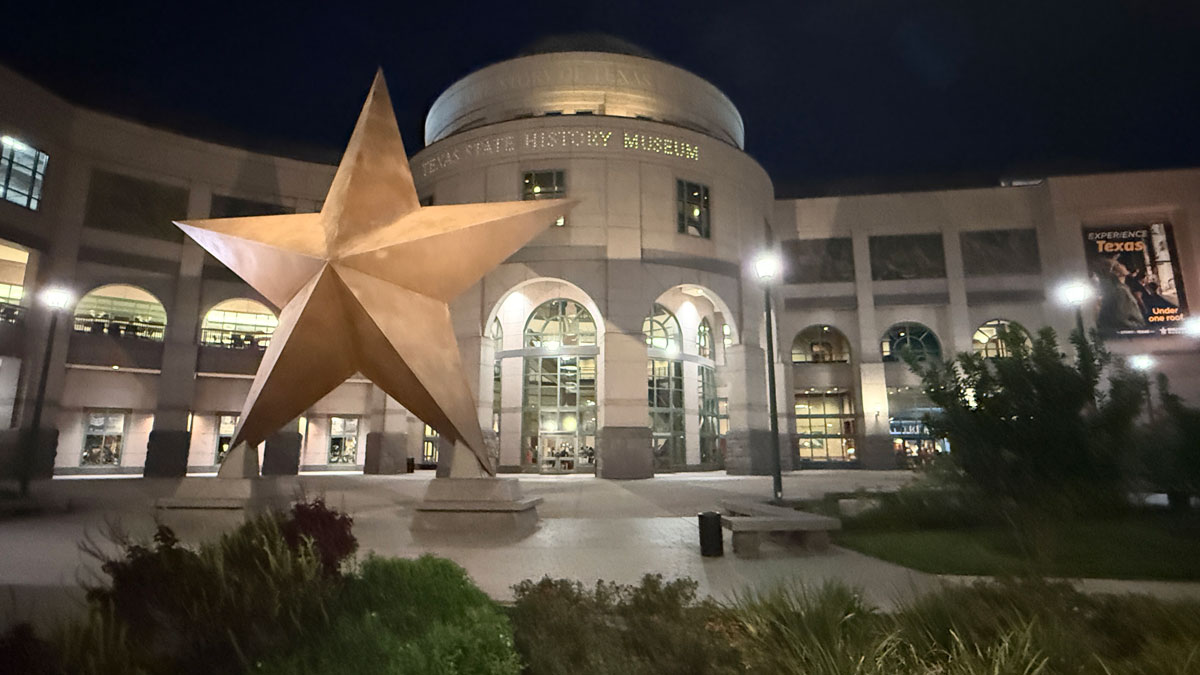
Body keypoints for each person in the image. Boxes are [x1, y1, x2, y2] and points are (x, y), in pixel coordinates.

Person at [1094, 254, 1146, 332]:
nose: (1122, 265)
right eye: (1118, 265)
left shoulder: (1121, 288)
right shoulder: (1120, 291)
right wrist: (1140, 327)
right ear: (1115, 273)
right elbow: (1121, 319)